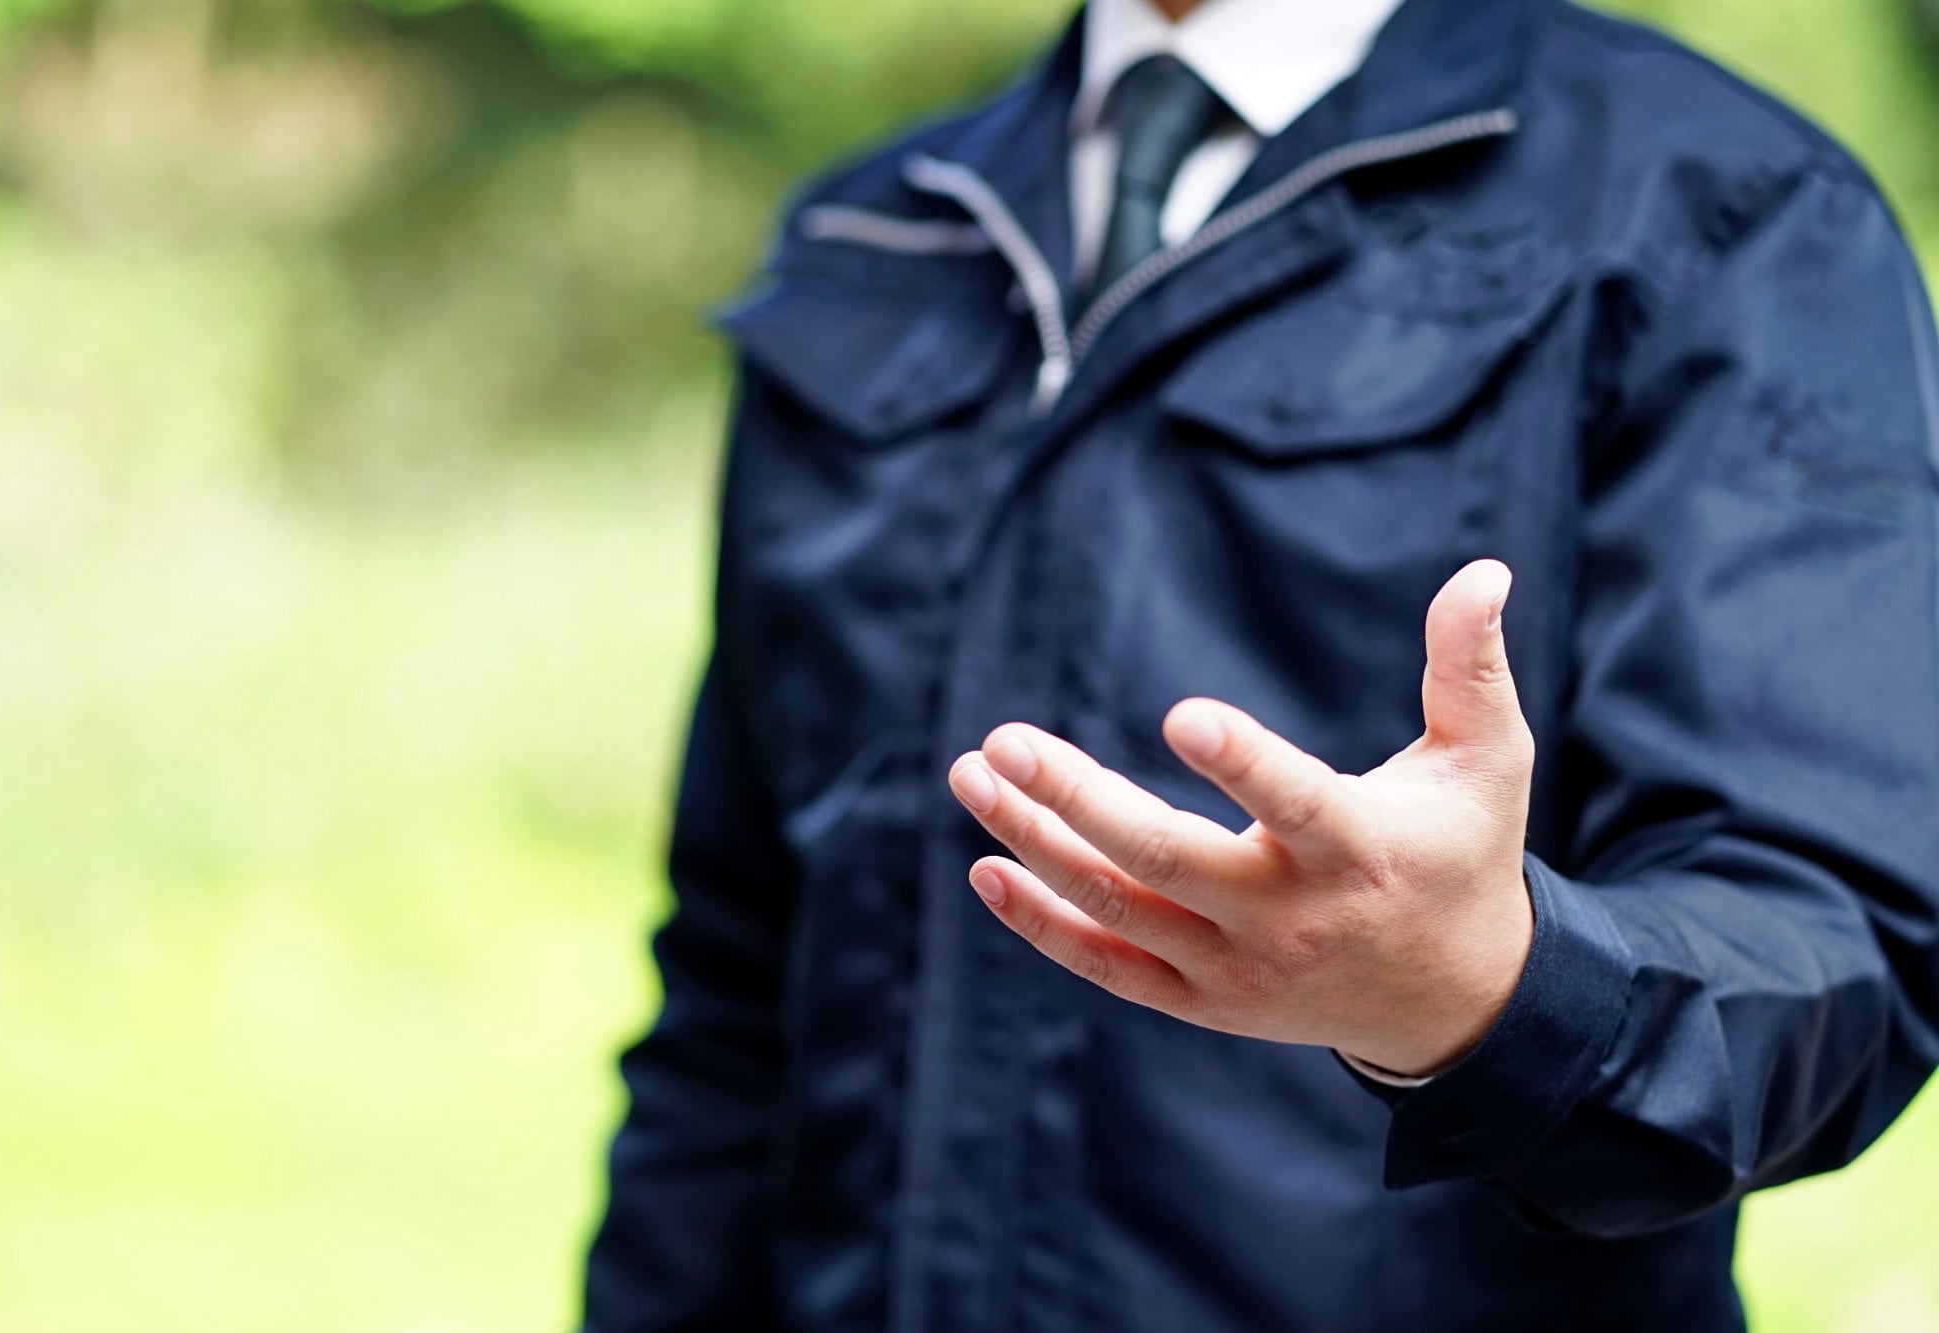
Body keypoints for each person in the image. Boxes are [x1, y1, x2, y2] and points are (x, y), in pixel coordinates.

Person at [584, 0, 1939, 1327]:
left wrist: (1496, 992)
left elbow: (1835, 938)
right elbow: (736, 980)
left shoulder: (1726, 208)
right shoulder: (879, 231)